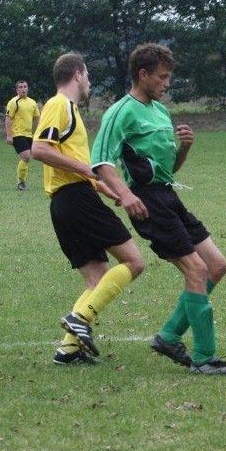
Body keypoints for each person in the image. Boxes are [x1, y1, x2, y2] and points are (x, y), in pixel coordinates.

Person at [91, 43, 226, 376]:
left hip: (168, 195)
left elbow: (170, 169)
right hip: (146, 202)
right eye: (162, 77)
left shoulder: (160, 111)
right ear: (142, 75)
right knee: (196, 270)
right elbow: (100, 161)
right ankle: (203, 358)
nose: (167, 84)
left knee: (216, 265)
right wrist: (126, 195)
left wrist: (184, 147)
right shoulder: (120, 111)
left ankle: (169, 336)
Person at [31, 53, 145, 365]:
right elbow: (39, 149)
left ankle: (67, 351)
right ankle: (79, 318)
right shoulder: (59, 105)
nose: (90, 83)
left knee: (97, 281)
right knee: (134, 262)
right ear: (78, 75)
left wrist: (111, 190)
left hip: (66, 202)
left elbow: (78, 168)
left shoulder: (70, 111)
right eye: (89, 76)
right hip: (76, 199)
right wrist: (90, 171)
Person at [5, 80, 41, 191]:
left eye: (25, 87)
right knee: (25, 156)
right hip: (18, 133)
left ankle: (22, 183)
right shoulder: (14, 102)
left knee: (30, 157)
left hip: (29, 134)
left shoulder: (32, 102)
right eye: (20, 87)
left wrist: (38, 132)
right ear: (17, 90)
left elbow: (38, 118)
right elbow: (8, 119)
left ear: (28, 88)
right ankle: (21, 183)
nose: (23, 89)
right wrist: (9, 135)